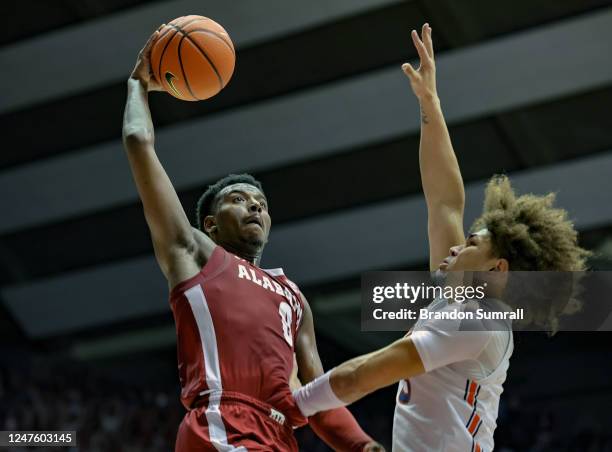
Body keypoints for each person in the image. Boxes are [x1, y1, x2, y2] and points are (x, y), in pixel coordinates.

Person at [292, 23, 590, 452]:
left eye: (471, 242)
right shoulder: (464, 300)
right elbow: (445, 200)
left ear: (497, 267)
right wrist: (429, 103)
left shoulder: (477, 321)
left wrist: (289, 406)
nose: (456, 244)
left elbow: (363, 375)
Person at [122, 28, 383, 451]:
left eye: (260, 202)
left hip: (279, 437)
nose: (255, 207)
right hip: (222, 424)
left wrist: (362, 445)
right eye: (239, 200)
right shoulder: (195, 254)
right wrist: (137, 86)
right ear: (210, 224)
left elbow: (317, 393)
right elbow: (138, 142)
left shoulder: (293, 296)